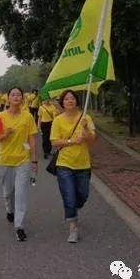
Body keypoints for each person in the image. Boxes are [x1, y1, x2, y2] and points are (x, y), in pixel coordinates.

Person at [0, 87, 38, 242]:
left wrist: (34, 159)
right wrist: (6, 134)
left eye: (19, 95)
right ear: (8, 99)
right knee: (8, 193)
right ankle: (10, 210)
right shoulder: (0, 116)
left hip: (22, 160)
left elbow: (31, 139)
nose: (16, 97)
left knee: (21, 193)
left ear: (22, 98)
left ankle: (19, 227)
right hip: (5, 160)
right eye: (13, 95)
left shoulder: (28, 117)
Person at [50, 89, 96, 243]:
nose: (70, 101)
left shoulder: (86, 118)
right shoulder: (58, 120)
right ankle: (73, 228)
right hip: (64, 164)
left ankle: (74, 209)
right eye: (66, 99)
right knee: (69, 196)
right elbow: (54, 142)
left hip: (83, 163)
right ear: (62, 103)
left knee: (82, 196)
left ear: (77, 101)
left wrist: (85, 132)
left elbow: (92, 140)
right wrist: (71, 142)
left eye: (72, 98)